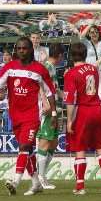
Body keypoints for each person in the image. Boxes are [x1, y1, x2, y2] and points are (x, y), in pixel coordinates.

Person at [0, 36, 57, 196]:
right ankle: (36, 183)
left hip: (32, 116)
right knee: (27, 150)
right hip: (15, 115)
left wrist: (54, 113)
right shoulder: (10, 67)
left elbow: (50, 93)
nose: (21, 51)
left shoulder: (40, 69)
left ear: (31, 49)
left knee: (24, 147)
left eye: (24, 48)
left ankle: (15, 181)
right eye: (19, 48)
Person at [64, 42, 101, 195]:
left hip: (83, 111)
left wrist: (69, 120)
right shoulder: (93, 69)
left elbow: (71, 100)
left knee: (80, 148)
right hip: (97, 109)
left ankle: (80, 186)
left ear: (71, 56)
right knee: (100, 146)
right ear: (85, 54)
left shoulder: (71, 74)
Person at [36, 43, 64, 189]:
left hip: (54, 107)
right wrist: (45, 102)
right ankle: (40, 177)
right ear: (59, 56)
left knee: (54, 142)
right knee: (45, 140)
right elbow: (39, 84)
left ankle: (41, 175)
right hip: (46, 107)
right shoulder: (46, 66)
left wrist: (65, 96)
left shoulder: (52, 68)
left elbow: (54, 89)